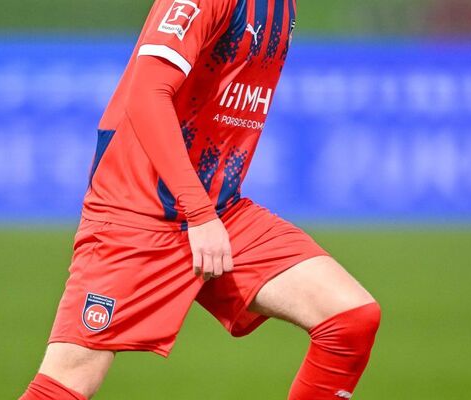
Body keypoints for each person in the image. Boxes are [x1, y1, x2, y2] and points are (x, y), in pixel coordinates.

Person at [20, 0, 380, 398]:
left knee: (349, 318)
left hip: (219, 210)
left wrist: (206, 212)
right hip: (138, 213)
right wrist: (199, 211)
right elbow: (147, 92)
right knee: (65, 385)